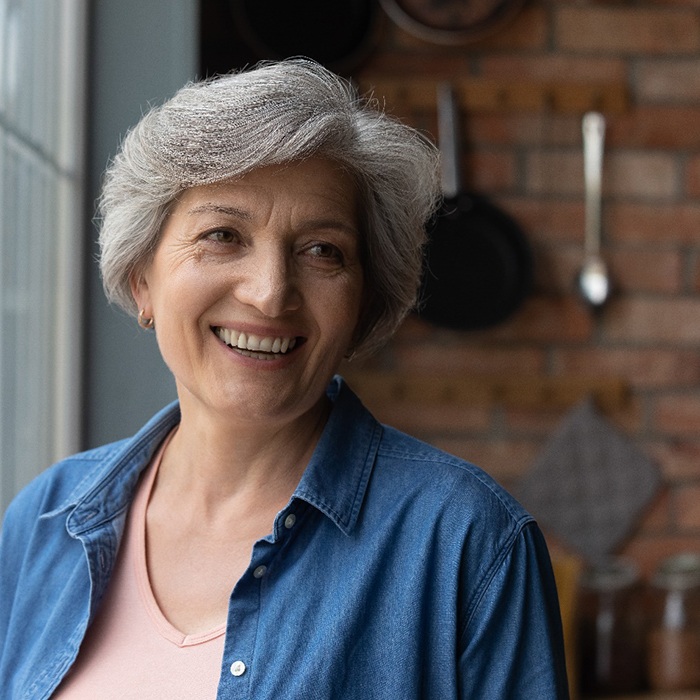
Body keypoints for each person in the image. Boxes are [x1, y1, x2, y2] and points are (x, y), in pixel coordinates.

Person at [0, 59, 568, 699]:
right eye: (222, 235)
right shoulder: (43, 522)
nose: (271, 294)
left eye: (322, 251)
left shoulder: (470, 543)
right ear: (141, 279)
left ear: (361, 305)